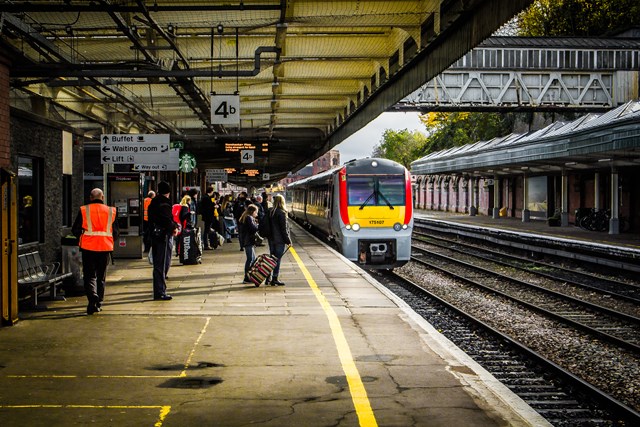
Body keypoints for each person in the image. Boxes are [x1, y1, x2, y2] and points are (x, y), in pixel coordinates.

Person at [72, 188, 119, 314]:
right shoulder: (111, 211)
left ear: (91, 198)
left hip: (88, 248)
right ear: (102, 197)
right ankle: (99, 301)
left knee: (89, 275)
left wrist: (83, 238)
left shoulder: (84, 210)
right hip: (105, 248)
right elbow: (115, 232)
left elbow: (75, 230)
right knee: (101, 276)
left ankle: (92, 298)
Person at [148, 181, 179, 301]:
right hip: (163, 236)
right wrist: (174, 227)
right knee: (163, 263)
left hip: (155, 235)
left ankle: (159, 290)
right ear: (169, 192)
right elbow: (166, 219)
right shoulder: (164, 203)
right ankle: (160, 291)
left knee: (158, 264)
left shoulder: (153, 202)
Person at [267, 194, 291, 286]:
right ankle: (275, 278)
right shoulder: (282, 213)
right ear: (282, 202)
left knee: (271, 259)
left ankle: (267, 277)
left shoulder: (270, 211)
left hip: (271, 238)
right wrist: (288, 241)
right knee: (277, 260)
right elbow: (283, 230)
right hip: (279, 240)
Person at [238, 204, 260, 284]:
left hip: (248, 241)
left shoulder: (246, 217)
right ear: (253, 212)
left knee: (253, 259)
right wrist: (257, 225)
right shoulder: (249, 218)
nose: (256, 214)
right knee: (250, 259)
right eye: (256, 212)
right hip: (248, 241)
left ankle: (250, 276)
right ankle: (246, 278)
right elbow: (253, 229)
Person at [200, 185, 218, 250]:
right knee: (206, 231)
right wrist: (214, 207)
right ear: (211, 191)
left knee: (207, 230)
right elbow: (208, 208)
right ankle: (206, 245)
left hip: (207, 216)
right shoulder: (206, 198)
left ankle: (207, 244)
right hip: (208, 217)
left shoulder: (205, 197)